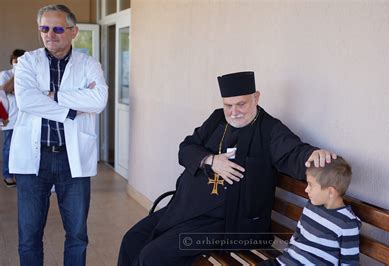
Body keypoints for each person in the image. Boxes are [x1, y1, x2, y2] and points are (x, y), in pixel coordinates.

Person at [118, 71, 337, 265]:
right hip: (186, 209)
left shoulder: (270, 129)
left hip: (227, 224)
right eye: (228, 105)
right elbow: (186, 148)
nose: (234, 112)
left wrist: (311, 154)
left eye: (241, 104)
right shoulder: (216, 119)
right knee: (132, 239)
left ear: (256, 97)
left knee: (153, 256)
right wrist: (211, 160)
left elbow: (293, 152)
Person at [10, 4, 108, 266]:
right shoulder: (28, 62)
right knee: (29, 236)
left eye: (57, 28)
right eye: (44, 28)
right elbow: (28, 101)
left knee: (77, 234)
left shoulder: (89, 64)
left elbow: (98, 100)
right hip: (34, 160)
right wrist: (71, 110)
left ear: (73, 31)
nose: (50, 34)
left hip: (71, 159)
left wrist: (54, 96)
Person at [260, 156, 361, 265]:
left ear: (330, 192)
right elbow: (297, 235)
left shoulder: (347, 223)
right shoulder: (311, 206)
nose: (306, 189)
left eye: (311, 185)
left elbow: (350, 263)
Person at [0, 49, 25, 187]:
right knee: (9, 148)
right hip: (9, 119)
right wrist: (18, 74)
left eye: (22, 61)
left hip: (24, 120)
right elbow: (3, 90)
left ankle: (21, 175)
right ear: (12, 61)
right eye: (16, 61)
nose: (18, 64)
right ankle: (8, 175)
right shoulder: (5, 75)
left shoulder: (29, 76)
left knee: (23, 149)